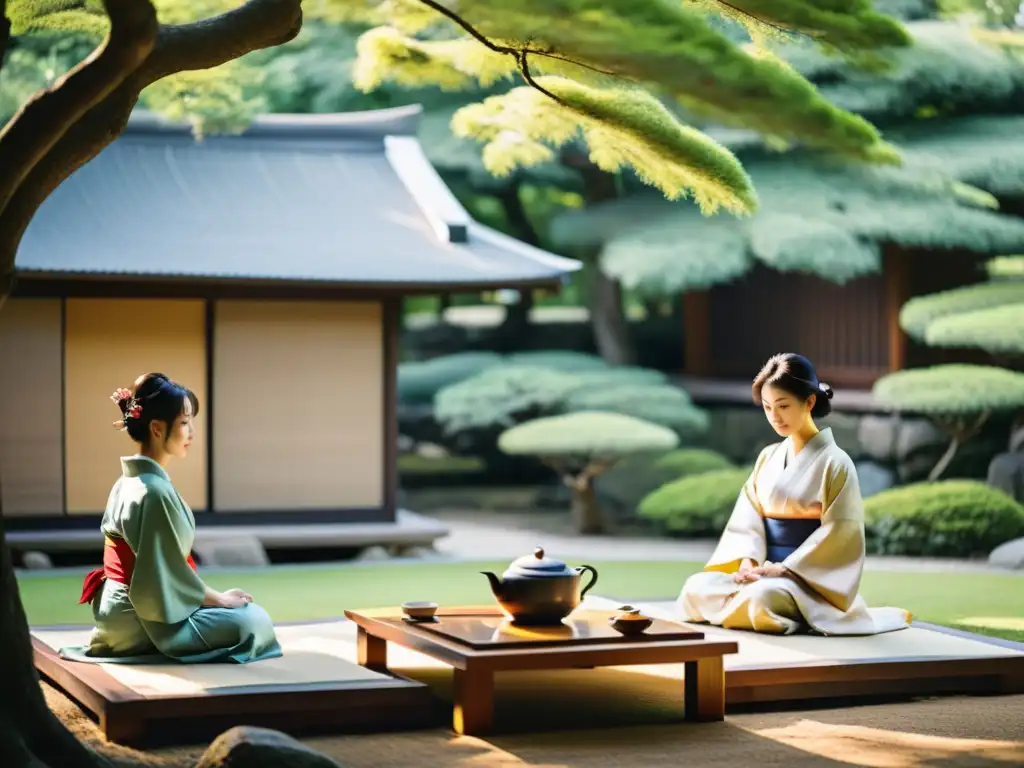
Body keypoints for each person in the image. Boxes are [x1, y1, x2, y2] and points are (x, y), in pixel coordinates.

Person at [676, 353, 911, 636]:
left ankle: (797, 611)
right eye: (767, 407)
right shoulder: (767, 457)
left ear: (809, 402)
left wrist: (786, 569)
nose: (775, 416)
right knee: (695, 589)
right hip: (762, 572)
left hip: (805, 579)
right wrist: (748, 563)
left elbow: (840, 534)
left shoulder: (836, 463)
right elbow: (747, 521)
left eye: (783, 405)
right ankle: (757, 607)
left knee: (760, 599)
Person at [60, 373, 282, 664]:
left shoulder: (131, 482)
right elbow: (162, 576)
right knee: (253, 622)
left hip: (121, 608)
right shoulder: (152, 492)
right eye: (184, 423)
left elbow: (164, 572)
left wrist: (214, 599)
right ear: (156, 428)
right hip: (139, 618)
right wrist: (220, 599)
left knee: (242, 614)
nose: (191, 432)